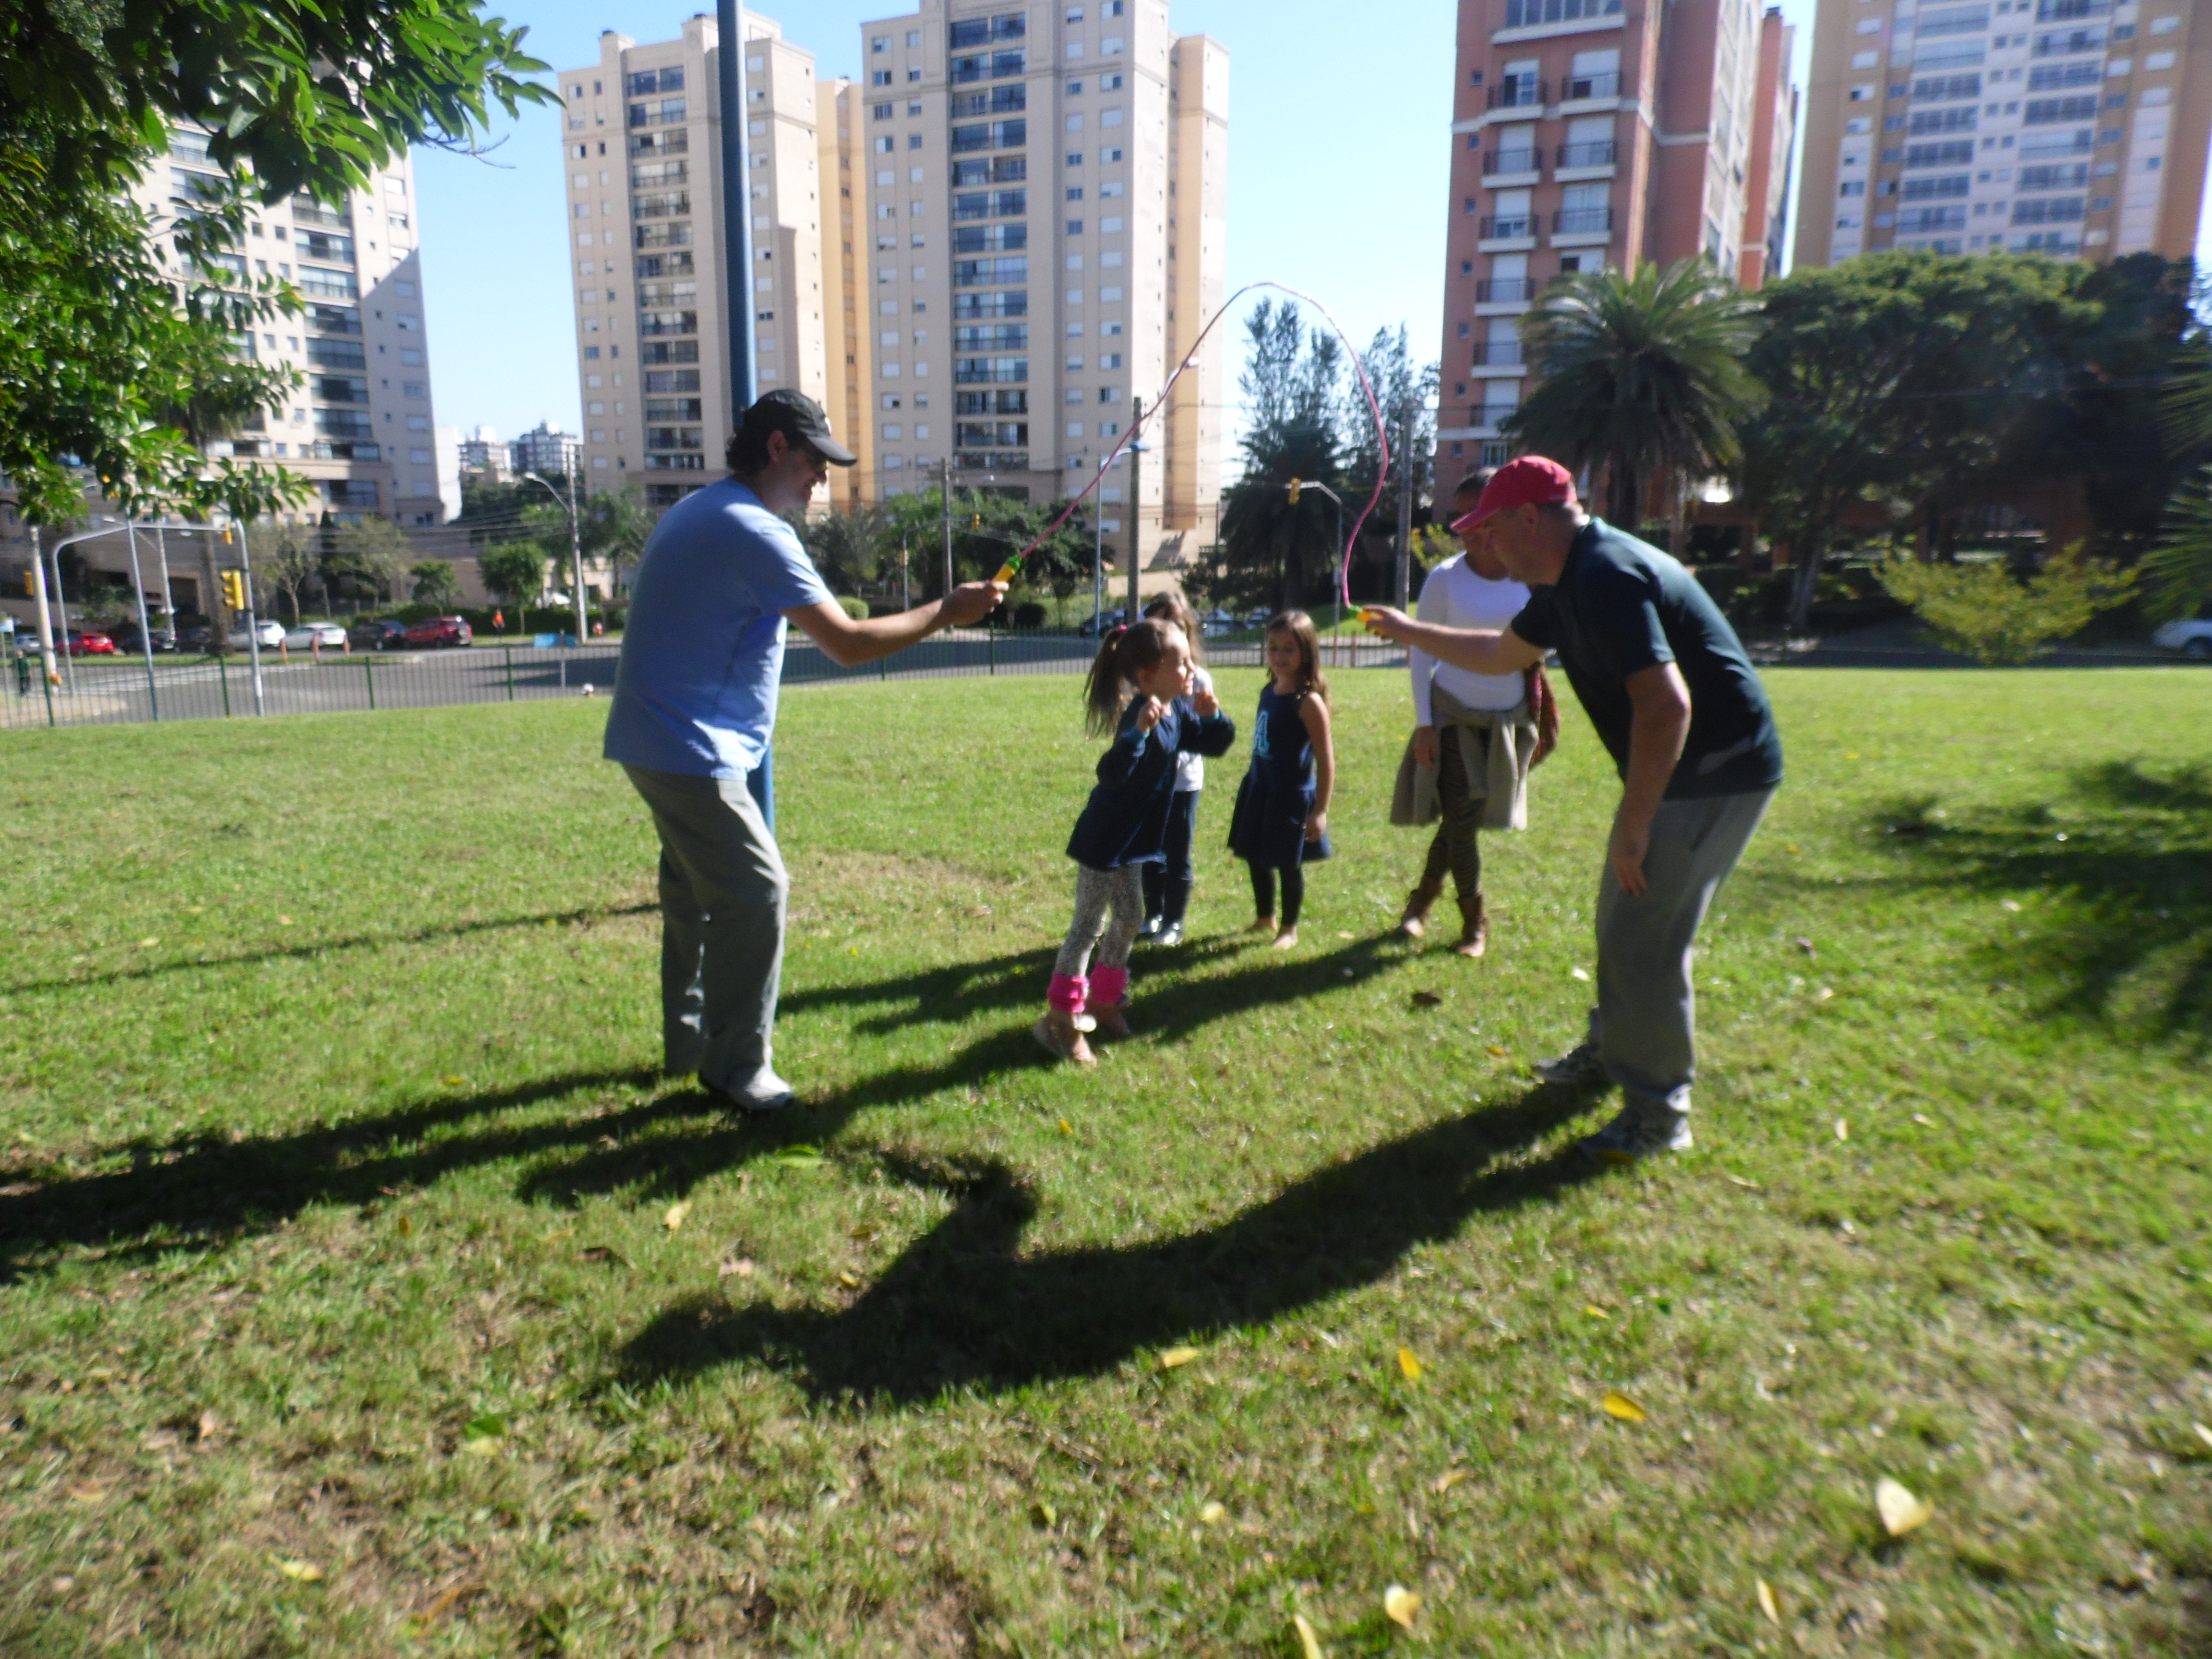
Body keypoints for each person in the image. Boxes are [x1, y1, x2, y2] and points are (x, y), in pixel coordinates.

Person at [1361, 456, 1783, 1162]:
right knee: (1623, 922)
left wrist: (1637, 822)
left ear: (1531, 518)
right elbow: (1499, 653)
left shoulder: (1604, 575)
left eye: (1491, 530)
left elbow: (1668, 705)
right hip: (1686, 772)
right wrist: (1410, 632)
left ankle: (1657, 1116)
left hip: (1713, 774)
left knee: (1645, 944)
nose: (1485, 548)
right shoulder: (1562, 582)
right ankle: (1611, 1053)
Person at [604, 389, 1006, 1110]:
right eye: (815, 459)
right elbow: (849, 643)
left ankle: (691, 1046)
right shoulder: (755, 531)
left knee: (696, 899)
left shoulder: (702, 509)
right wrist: (948, 610)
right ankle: (736, 1070)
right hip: (690, 747)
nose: (823, 476)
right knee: (758, 893)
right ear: (777, 448)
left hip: (660, 739)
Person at [1038, 618, 1235, 1065]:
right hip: (1104, 843)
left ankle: (1104, 1000)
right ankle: (1060, 1020)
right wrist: (1139, 734)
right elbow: (1111, 774)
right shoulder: (1140, 714)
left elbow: (1216, 743)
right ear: (1149, 676)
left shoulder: (1178, 710)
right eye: (1182, 663)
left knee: (1129, 918)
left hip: (1134, 844)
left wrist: (1214, 716)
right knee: (1087, 926)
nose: (1191, 670)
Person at [1392, 470, 1560, 957]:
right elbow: (1422, 652)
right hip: (1452, 717)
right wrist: (1425, 724)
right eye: (1462, 518)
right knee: (1463, 820)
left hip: (1507, 720)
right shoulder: (1445, 580)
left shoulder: (1528, 577)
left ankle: (1420, 902)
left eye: (1480, 516)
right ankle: (1474, 923)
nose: (1471, 528)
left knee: (1461, 819)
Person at [1227, 610, 1335, 950]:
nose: (1279, 656)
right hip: (1261, 788)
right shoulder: (1269, 691)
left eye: (1289, 649)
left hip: (1290, 796)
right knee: (1256, 855)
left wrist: (1320, 810)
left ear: (1306, 653)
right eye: (1273, 648)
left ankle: (1289, 927)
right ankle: (1265, 917)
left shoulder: (1308, 702)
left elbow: (1325, 759)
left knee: (1288, 863)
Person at [1136, 592, 1214, 947]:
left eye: (1177, 626)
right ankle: (1152, 914)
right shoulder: (1142, 678)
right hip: (1148, 779)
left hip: (1183, 781)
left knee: (1177, 852)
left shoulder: (1198, 679)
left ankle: (1174, 922)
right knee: (1148, 852)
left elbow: (1203, 729)